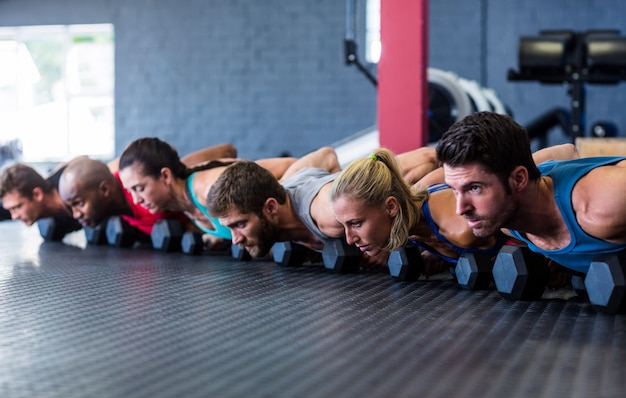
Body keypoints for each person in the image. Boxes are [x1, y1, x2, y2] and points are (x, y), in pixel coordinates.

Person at [329, 141, 580, 276]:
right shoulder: (415, 198)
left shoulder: (461, 226)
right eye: (346, 226)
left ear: (391, 206)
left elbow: (566, 151)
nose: (349, 239)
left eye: (356, 223)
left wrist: (553, 256)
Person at [435, 111, 626, 276]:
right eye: (454, 190)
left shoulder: (603, 205)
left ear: (519, 179)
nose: (460, 209)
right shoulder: (505, 221)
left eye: (474, 188)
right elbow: (566, 151)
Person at [205, 146, 441, 266]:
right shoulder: (285, 184)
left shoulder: (329, 214)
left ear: (271, 208)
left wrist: (389, 235)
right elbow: (327, 155)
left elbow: (428, 158)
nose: (234, 239)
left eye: (240, 225)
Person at [0, 142, 237, 239]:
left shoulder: (120, 179)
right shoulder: (117, 210)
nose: (15, 215)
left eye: (17, 207)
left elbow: (228, 150)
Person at [116, 137, 322, 249]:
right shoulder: (185, 204)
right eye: (130, 191)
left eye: (139, 188)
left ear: (165, 177)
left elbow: (291, 164)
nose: (136, 199)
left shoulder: (209, 188)